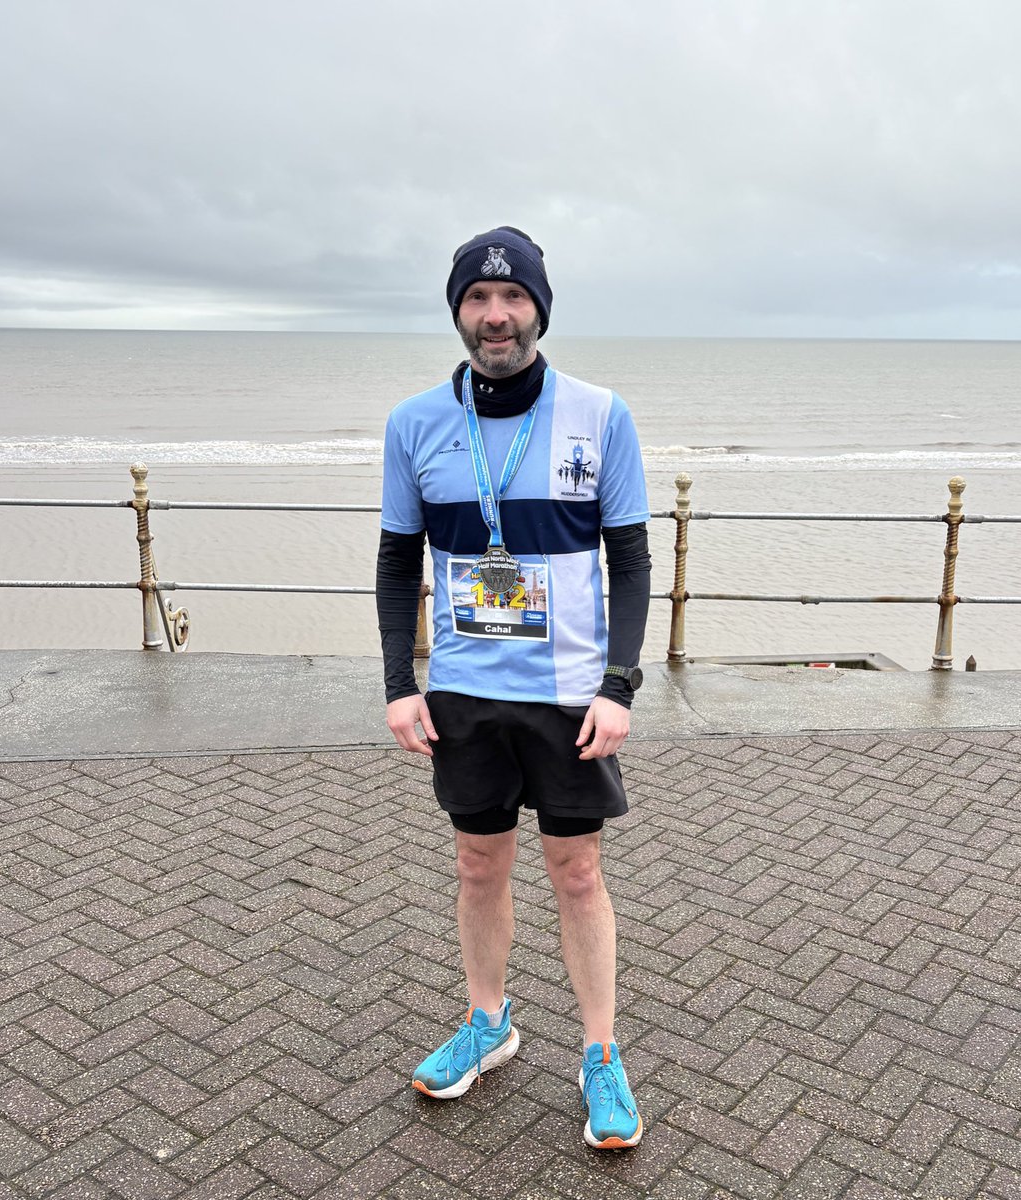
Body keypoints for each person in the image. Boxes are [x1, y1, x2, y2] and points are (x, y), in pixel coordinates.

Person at [376, 226, 652, 1150]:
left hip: (571, 693)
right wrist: (398, 682)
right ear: (458, 312)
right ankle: (489, 1024)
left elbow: (631, 556)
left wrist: (619, 682)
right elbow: (394, 559)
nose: (496, 317)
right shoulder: (416, 423)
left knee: (577, 873)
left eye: (513, 298)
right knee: (477, 865)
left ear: (539, 306)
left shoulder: (601, 414)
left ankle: (601, 1054)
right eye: (477, 300)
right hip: (462, 691)